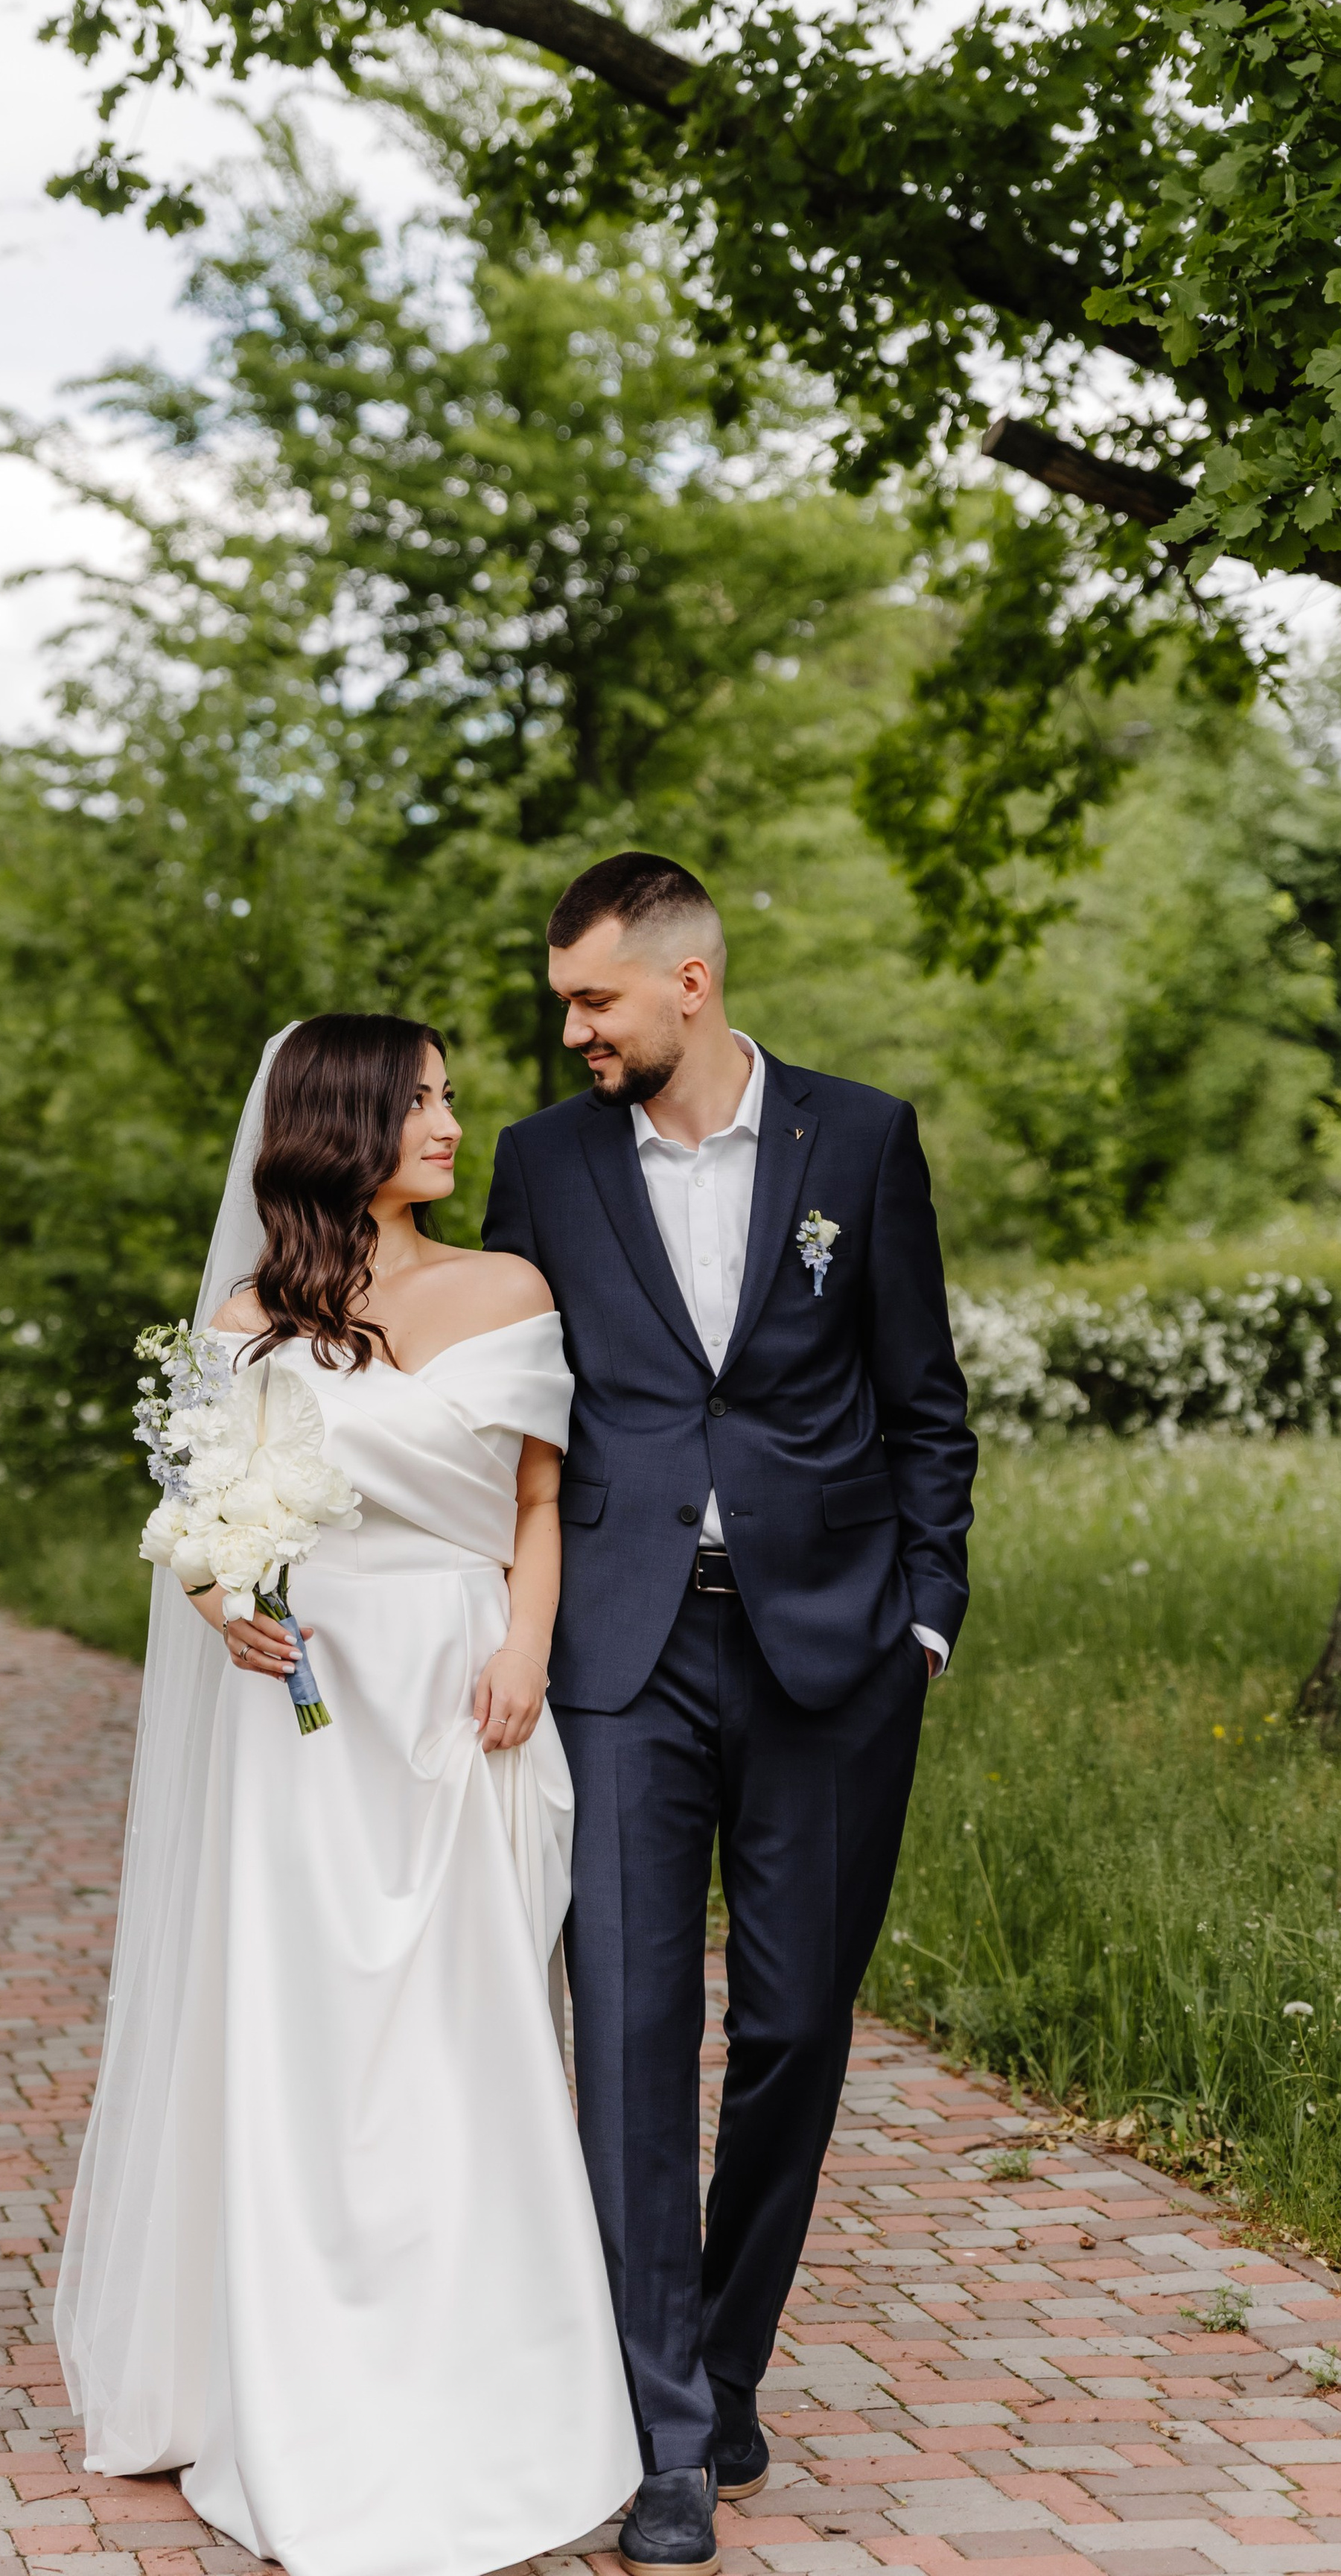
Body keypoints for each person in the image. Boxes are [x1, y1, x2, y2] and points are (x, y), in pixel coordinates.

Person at [56, 1013, 640, 2576]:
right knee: (310, 2044)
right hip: (304, 1718)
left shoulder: (506, 1287)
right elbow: (198, 1516)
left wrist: (523, 1647)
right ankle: (303, 2383)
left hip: (460, 1695)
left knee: (469, 2034)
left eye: (451, 1098)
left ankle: (489, 2391)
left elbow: (536, 1495)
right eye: (423, 1102)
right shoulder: (250, 1313)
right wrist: (216, 1599)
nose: (452, 1125)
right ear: (342, 1124)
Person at [482, 853, 977, 2576]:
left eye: (592, 999)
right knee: (624, 2038)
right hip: (619, 1661)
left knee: (790, 2033)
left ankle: (725, 2352)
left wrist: (925, 1616)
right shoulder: (542, 1164)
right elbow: (506, 1411)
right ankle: (664, 2438)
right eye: (564, 1000)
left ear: (687, 983)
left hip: (831, 1653)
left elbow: (924, 1398)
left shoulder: (856, 1137)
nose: (570, 1030)